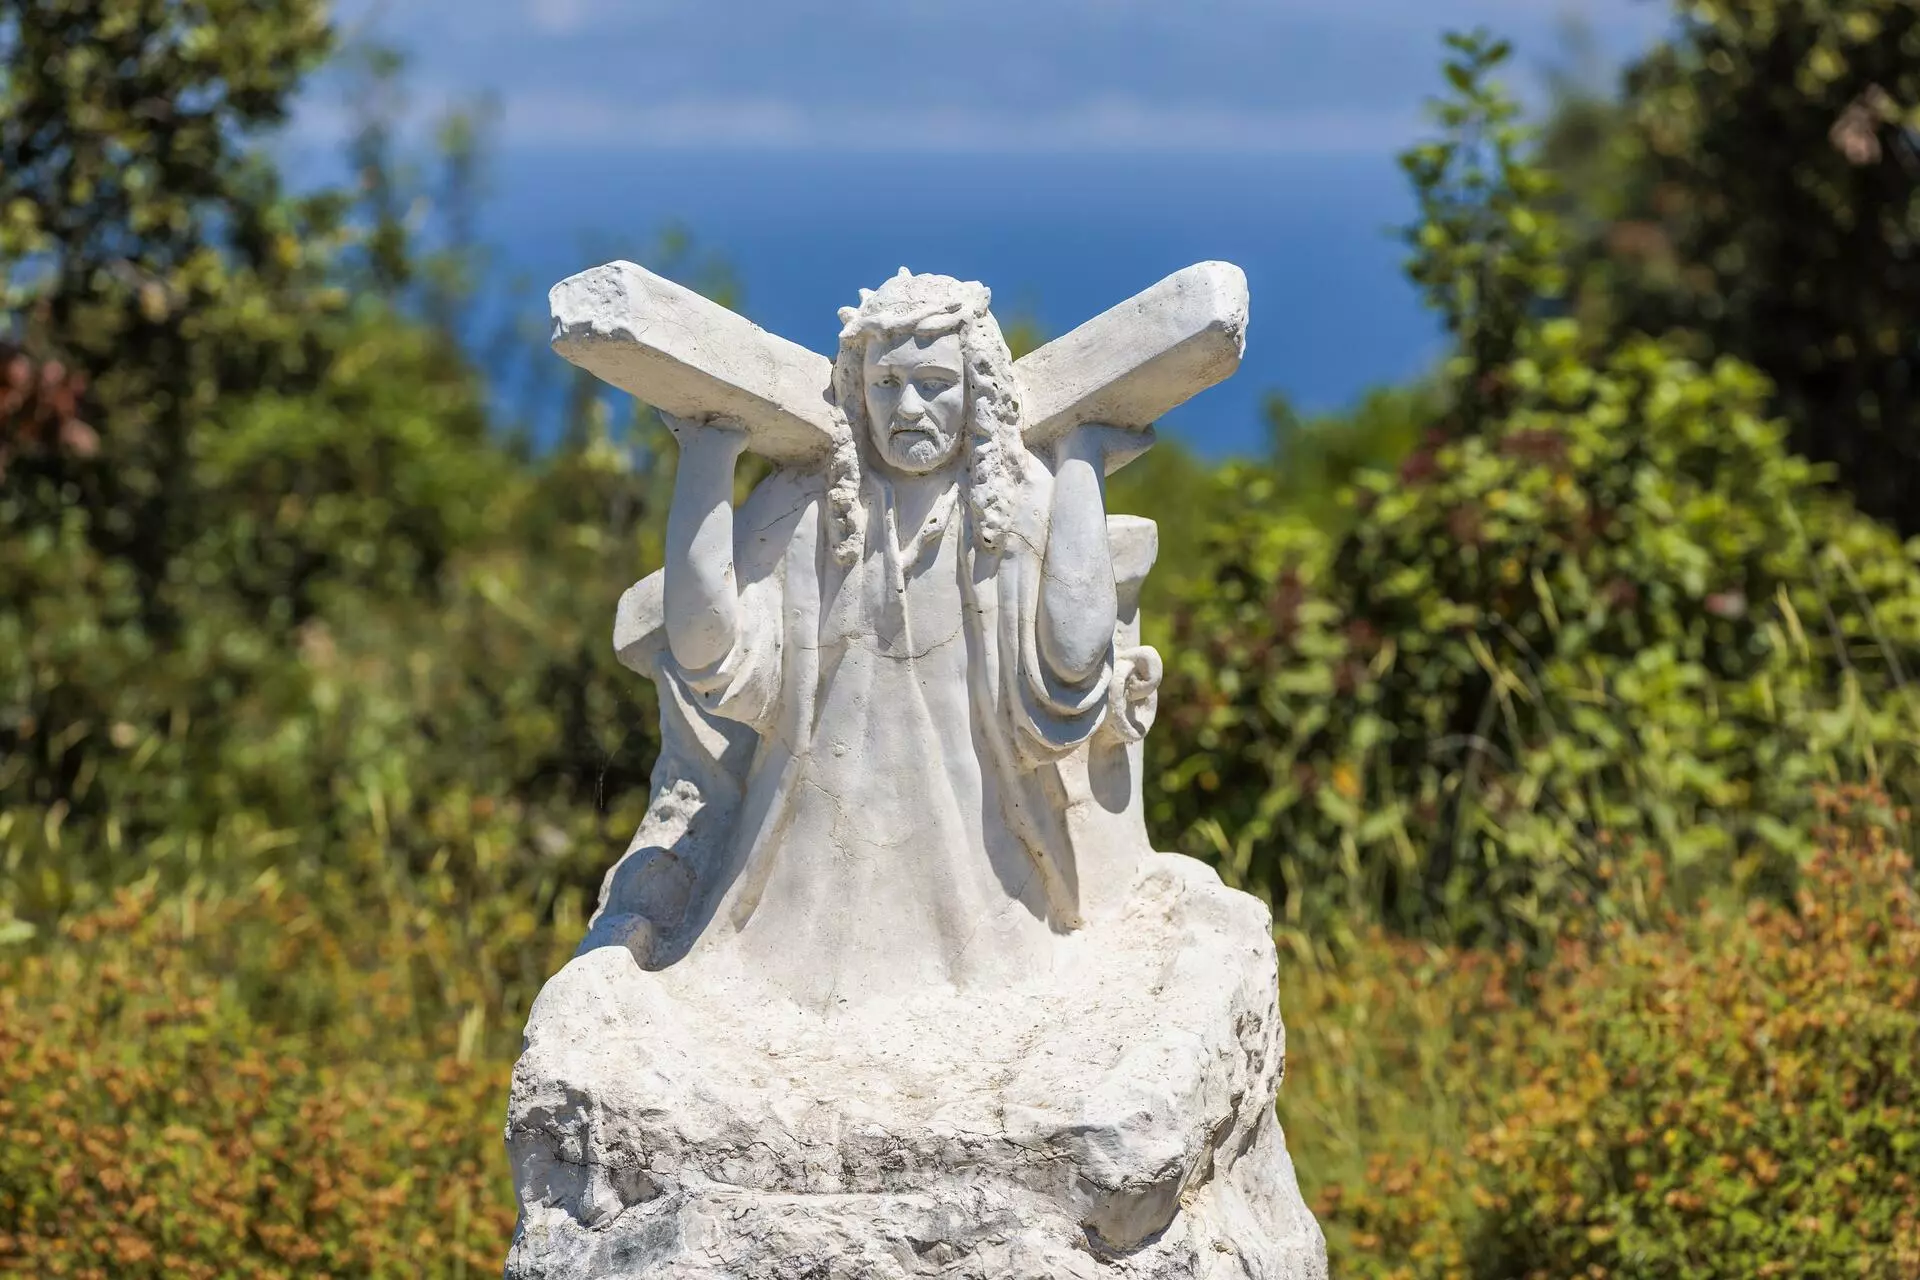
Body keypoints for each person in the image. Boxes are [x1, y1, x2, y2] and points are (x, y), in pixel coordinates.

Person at [651, 269, 1132, 1008]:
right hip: (804, 891)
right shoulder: (804, 506)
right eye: (885, 384)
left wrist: (1080, 468)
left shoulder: (1017, 501)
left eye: (933, 383)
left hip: (989, 880)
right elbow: (713, 659)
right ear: (857, 392)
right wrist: (707, 462)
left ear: (977, 391)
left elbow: (1069, 667)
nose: (907, 408)